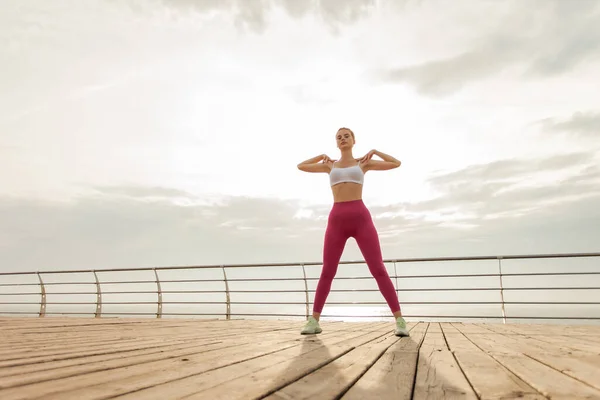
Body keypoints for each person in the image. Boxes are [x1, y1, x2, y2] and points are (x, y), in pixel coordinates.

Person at [296, 127, 409, 337]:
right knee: (328, 270)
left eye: (346, 136)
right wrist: (320, 157)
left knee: (378, 268)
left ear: (354, 140)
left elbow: (396, 163)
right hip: (336, 220)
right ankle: (314, 320)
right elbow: (301, 166)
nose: (342, 139)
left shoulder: (362, 163)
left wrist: (375, 151)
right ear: (336, 143)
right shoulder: (329, 166)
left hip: (361, 219)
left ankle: (400, 320)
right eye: (339, 137)